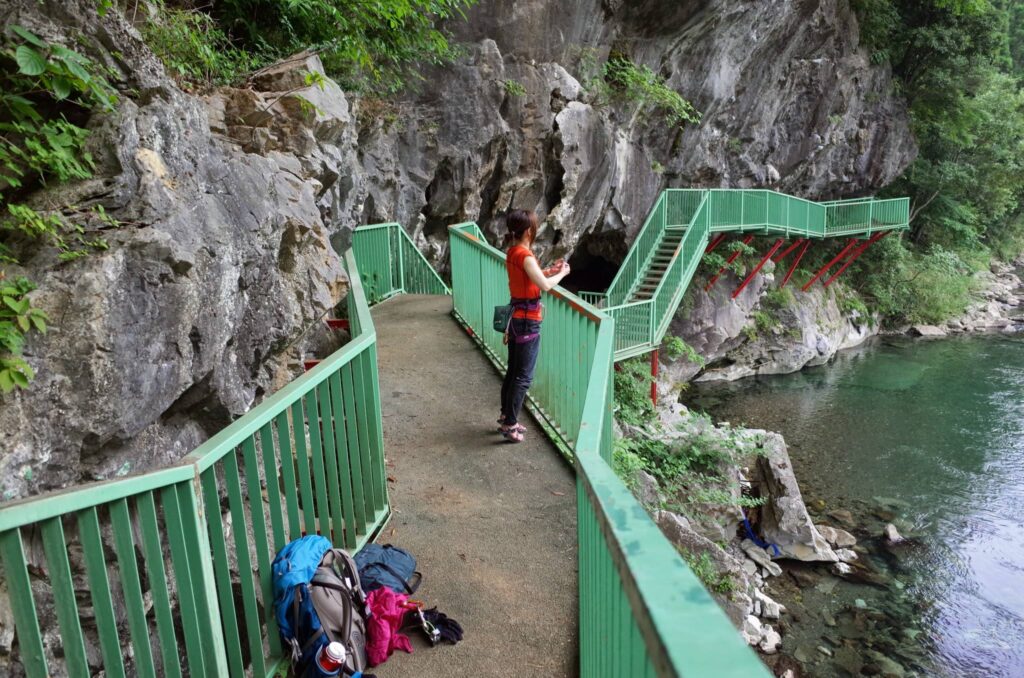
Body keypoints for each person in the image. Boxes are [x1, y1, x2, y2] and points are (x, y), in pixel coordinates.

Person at [498, 210, 570, 443]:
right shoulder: (525, 256)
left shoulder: (513, 252)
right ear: (529, 230)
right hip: (527, 321)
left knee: (513, 371)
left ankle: (506, 415)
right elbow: (545, 286)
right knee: (523, 376)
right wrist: (562, 274)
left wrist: (549, 271)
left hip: (516, 318)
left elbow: (530, 278)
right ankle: (510, 424)